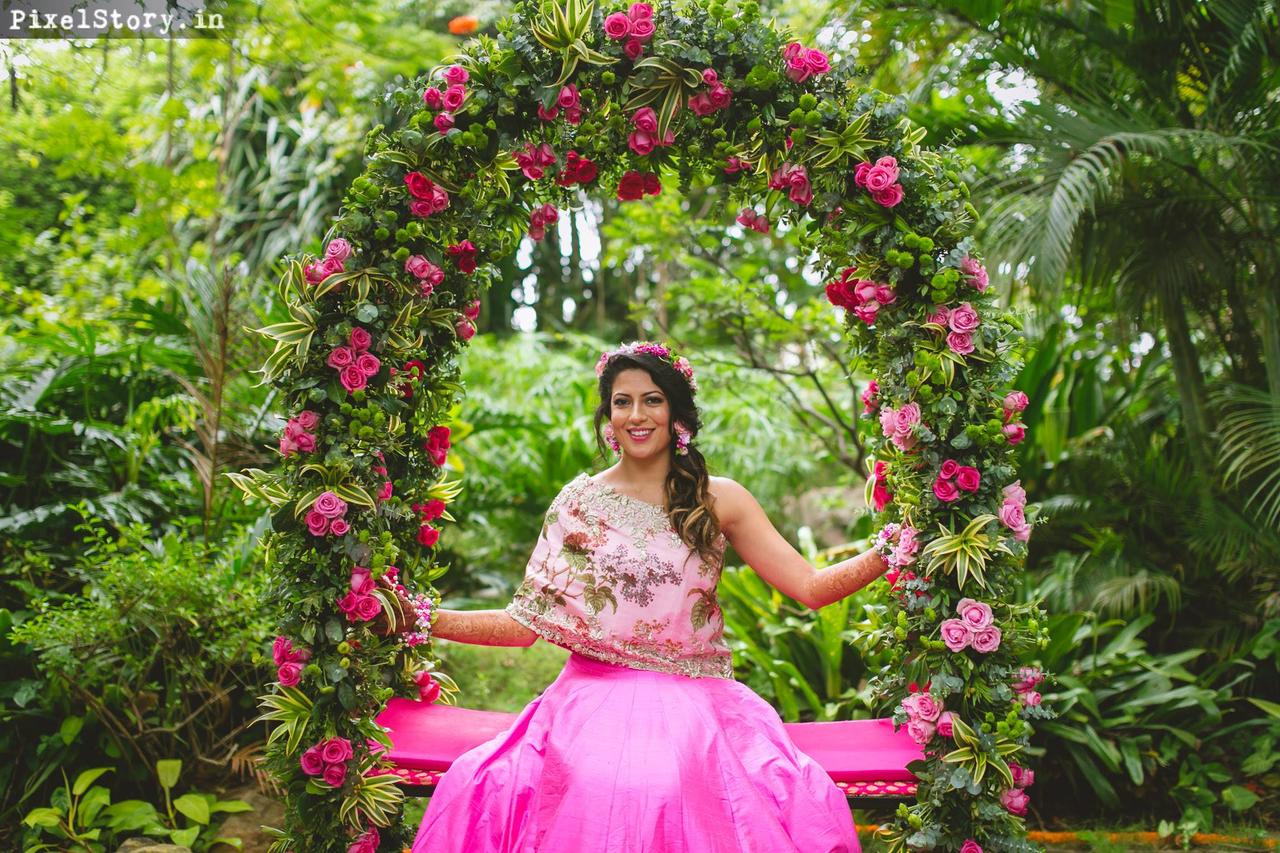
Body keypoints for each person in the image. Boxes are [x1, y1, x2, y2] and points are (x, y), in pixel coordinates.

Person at [411, 341, 890, 853]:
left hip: (696, 699)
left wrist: (895, 549)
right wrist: (422, 617)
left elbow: (812, 589)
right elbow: (524, 625)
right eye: (622, 401)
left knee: (661, 784)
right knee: (523, 784)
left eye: (653, 400)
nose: (636, 415)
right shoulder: (578, 504)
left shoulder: (718, 499)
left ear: (676, 412)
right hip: (587, 699)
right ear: (607, 415)